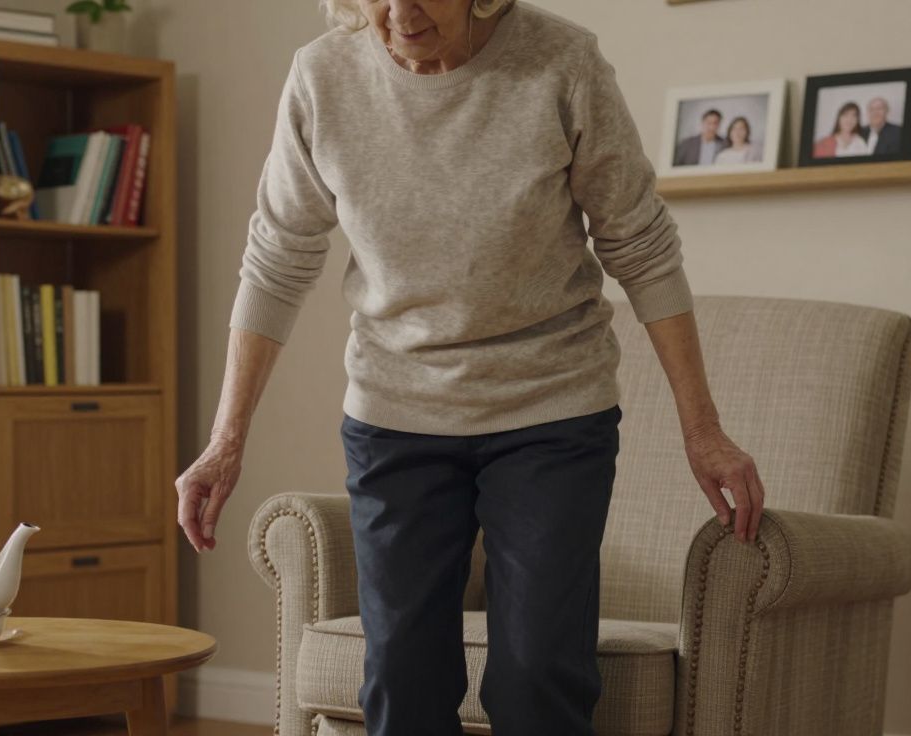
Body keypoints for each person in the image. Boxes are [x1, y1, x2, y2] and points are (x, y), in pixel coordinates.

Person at [174, 1, 765, 734]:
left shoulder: (561, 62)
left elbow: (640, 246)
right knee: (401, 678)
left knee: (536, 677)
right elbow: (275, 261)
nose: (400, 13)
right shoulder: (322, 76)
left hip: (551, 410)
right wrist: (225, 440)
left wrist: (703, 429)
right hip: (394, 416)